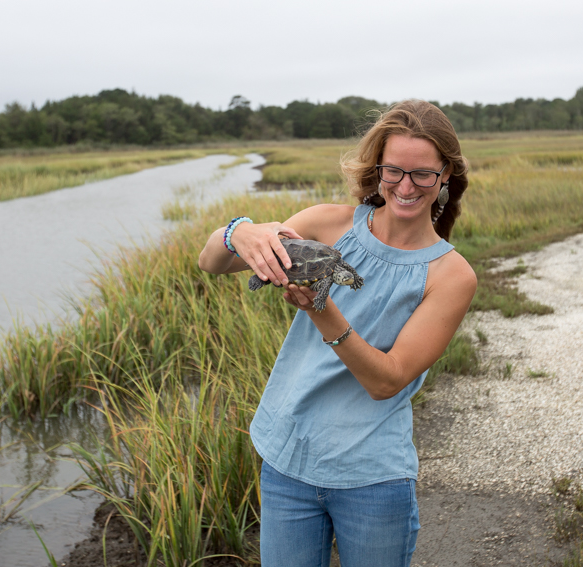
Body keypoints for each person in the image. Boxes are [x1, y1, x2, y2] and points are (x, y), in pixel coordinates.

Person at [198, 100, 477, 566]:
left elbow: (387, 381)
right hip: (288, 459)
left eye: (422, 174)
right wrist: (239, 232)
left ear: (445, 174)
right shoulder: (327, 224)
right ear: (378, 169)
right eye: (394, 171)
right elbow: (210, 262)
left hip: (373, 478)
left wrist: (319, 308)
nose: (405, 187)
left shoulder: (452, 275)